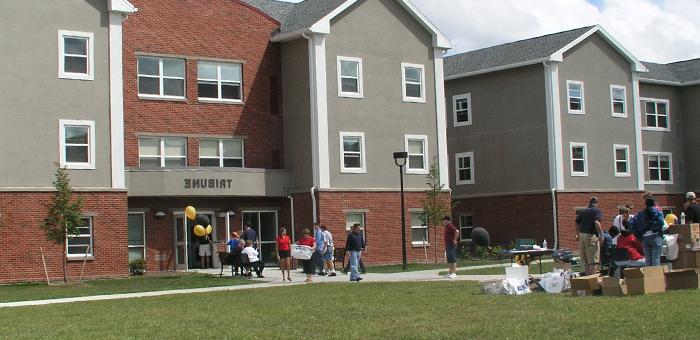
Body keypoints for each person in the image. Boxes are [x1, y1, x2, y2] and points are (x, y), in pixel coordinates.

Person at [630, 197, 665, 266]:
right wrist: (654, 227)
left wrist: (638, 235)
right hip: (656, 236)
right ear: (654, 204)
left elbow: (631, 224)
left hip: (644, 238)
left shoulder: (640, 214)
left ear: (645, 204)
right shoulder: (658, 211)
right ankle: (656, 276)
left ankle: (649, 276)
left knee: (648, 260)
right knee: (656, 259)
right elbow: (661, 223)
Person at [575, 197, 603, 275]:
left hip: (582, 236)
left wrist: (577, 234)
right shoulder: (596, 211)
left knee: (586, 262)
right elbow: (597, 222)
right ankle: (593, 282)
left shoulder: (583, 211)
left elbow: (577, 222)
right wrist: (601, 234)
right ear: (596, 203)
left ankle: (587, 282)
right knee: (593, 262)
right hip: (591, 237)